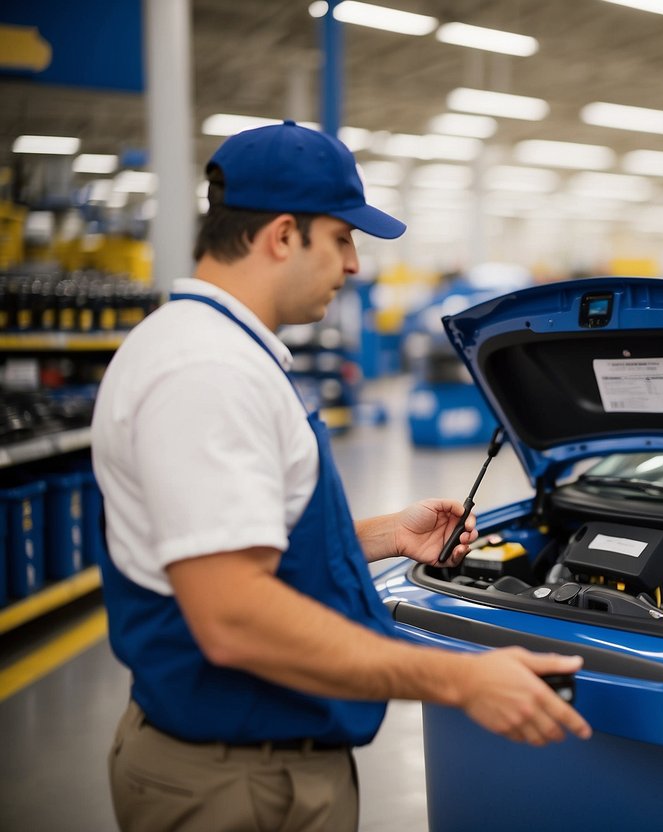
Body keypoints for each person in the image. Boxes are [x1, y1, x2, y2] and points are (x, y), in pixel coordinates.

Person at [91, 120, 591, 832]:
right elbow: (234, 618)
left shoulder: (218, 352)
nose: (355, 265)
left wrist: (389, 534)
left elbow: (243, 547)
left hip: (258, 758)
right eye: (342, 239)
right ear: (282, 235)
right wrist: (459, 677)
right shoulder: (206, 374)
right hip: (236, 783)